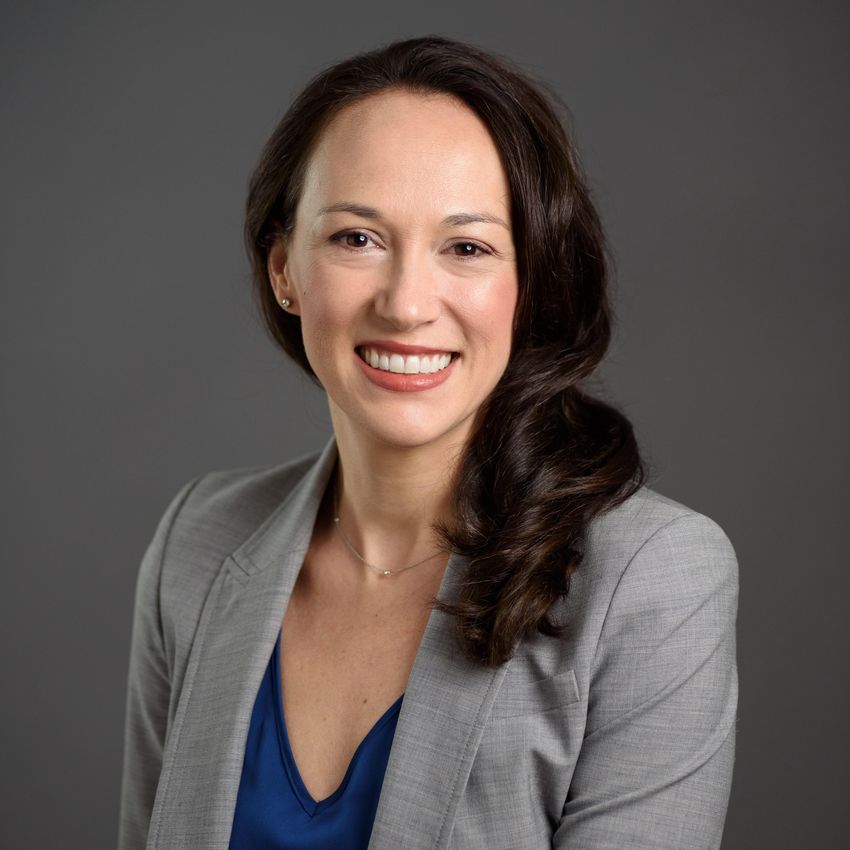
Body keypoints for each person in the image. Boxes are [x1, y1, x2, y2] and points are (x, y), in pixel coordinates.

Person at [118, 36, 739, 850]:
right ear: (283, 270)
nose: (408, 304)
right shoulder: (196, 543)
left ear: (530, 283)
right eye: (356, 238)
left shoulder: (656, 580)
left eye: (467, 248)